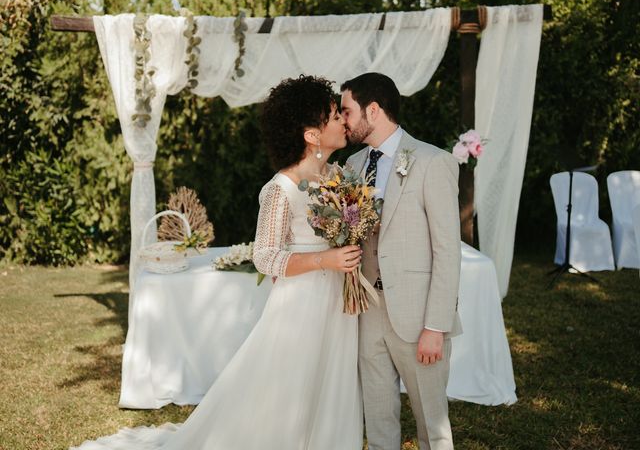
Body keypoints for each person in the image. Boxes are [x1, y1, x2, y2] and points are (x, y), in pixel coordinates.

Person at [70, 75, 363, 450]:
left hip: (338, 302)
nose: (342, 120)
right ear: (311, 135)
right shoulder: (281, 189)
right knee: (292, 388)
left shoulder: (339, 177)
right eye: (334, 115)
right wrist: (328, 259)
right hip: (301, 307)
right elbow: (265, 256)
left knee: (332, 382)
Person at [341, 72, 461, 450]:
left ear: (372, 111)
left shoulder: (431, 161)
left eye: (347, 111)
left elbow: (447, 250)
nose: (342, 119)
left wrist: (435, 326)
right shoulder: (353, 166)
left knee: (431, 425)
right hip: (368, 312)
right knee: (377, 420)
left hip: (417, 316)